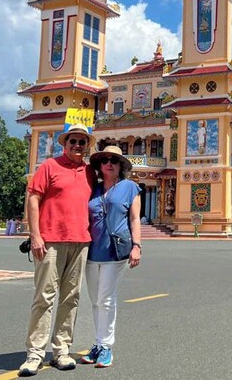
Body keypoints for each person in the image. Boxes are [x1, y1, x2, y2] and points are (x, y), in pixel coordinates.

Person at [18, 124, 96, 377]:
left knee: (71, 298)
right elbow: (33, 197)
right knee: (44, 297)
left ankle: (62, 350)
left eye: (82, 142)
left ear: (87, 146)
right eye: (73, 141)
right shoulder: (49, 166)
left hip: (80, 240)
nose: (77, 146)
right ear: (64, 143)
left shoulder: (89, 172)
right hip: (50, 240)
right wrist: (35, 235)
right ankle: (35, 353)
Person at [80, 145, 142, 369]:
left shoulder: (130, 187)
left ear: (121, 166)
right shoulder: (92, 189)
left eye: (114, 160)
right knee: (95, 301)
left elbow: (135, 219)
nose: (109, 163)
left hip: (115, 251)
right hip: (91, 250)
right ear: (99, 166)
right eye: (105, 160)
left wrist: (137, 246)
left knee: (106, 299)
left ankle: (106, 346)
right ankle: (97, 344)